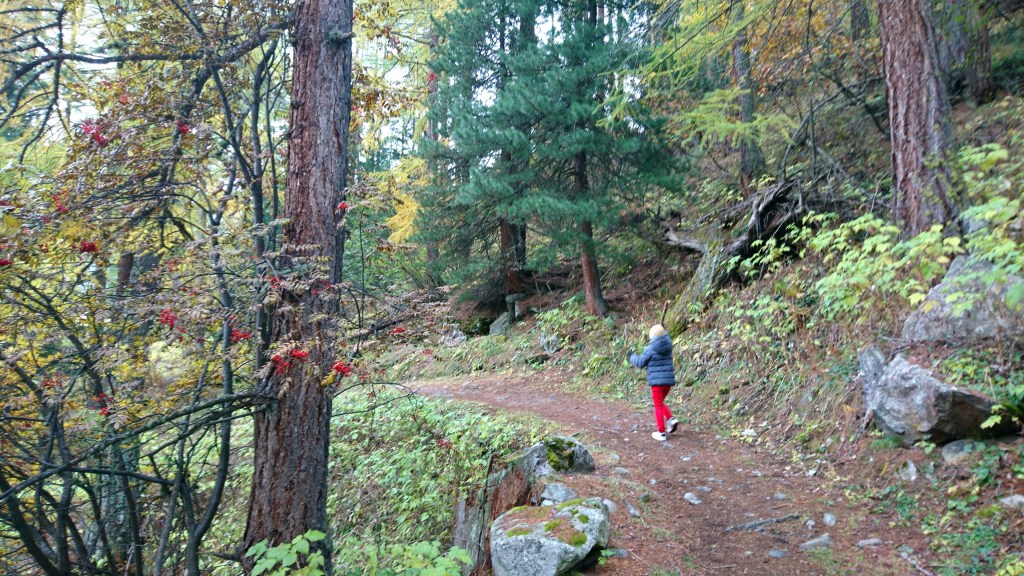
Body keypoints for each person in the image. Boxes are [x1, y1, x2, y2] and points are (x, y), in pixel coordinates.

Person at [629, 324, 679, 441]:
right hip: (668, 381)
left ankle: (661, 433)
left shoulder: (650, 349)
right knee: (660, 403)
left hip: (657, 382)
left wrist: (631, 356)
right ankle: (671, 419)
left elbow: (640, 362)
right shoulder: (668, 346)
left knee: (657, 406)